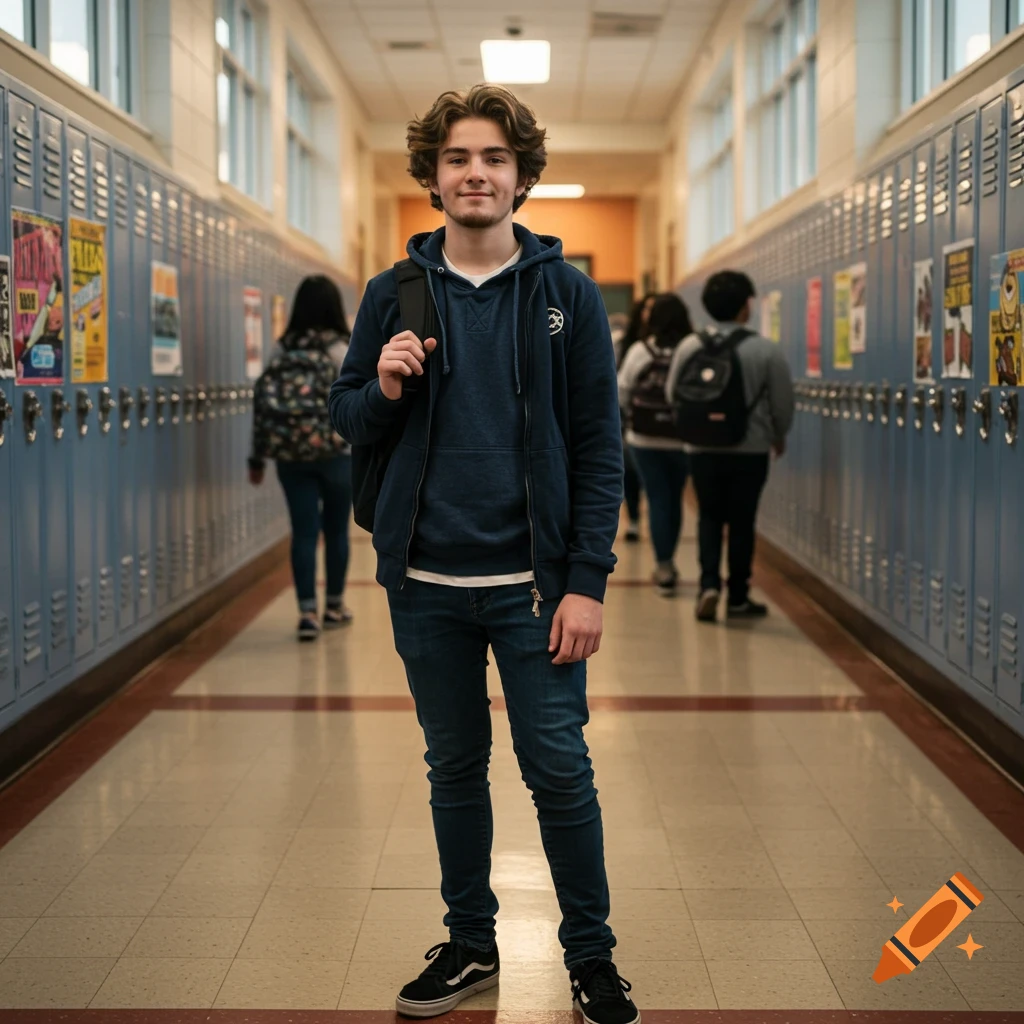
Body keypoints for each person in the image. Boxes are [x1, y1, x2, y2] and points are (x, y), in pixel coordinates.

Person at [329, 85, 637, 1024]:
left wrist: (586, 583)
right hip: (425, 583)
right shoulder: (392, 292)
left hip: (534, 591)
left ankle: (589, 956)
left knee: (560, 771)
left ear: (521, 177)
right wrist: (381, 384)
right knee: (452, 768)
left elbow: (597, 445)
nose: (476, 173)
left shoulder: (565, 294)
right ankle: (471, 945)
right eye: (458, 158)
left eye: (495, 159)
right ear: (432, 176)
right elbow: (348, 419)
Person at [666, 270, 794, 622]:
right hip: (749, 449)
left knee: (709, 516)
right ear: (745, 307)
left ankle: (708, 585)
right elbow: (782, 403)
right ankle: (738, 596)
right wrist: (778, 434)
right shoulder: (765, 349)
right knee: (742, 520)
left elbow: (671, 393)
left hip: (702, 449)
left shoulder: (690, 346)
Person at [249, 275, 354, 641]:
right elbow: (358, 405)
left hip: (290, 456)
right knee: (337, 530)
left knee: (304, 532)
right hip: (338, 454)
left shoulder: (281, 349)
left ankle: (307, 612)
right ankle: (335, 605)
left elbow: (263, 405)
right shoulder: (341, 350)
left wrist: (257, 456)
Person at [617, 293, 693, 594]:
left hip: (644, 439)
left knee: (658, 498)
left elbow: (622, 389)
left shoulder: (641, 349)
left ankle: (663, 565)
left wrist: (628, 419)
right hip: (683, 438)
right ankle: (669, 558)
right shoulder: (692, 349)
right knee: (673, 498)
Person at [615, 295, 654, 542]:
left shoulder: (671, 343)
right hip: (626, 417)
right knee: (629, 470)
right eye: (647, 308)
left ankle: (653, 516)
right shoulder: (626, 344)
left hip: (659, 423)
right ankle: (634, 519)